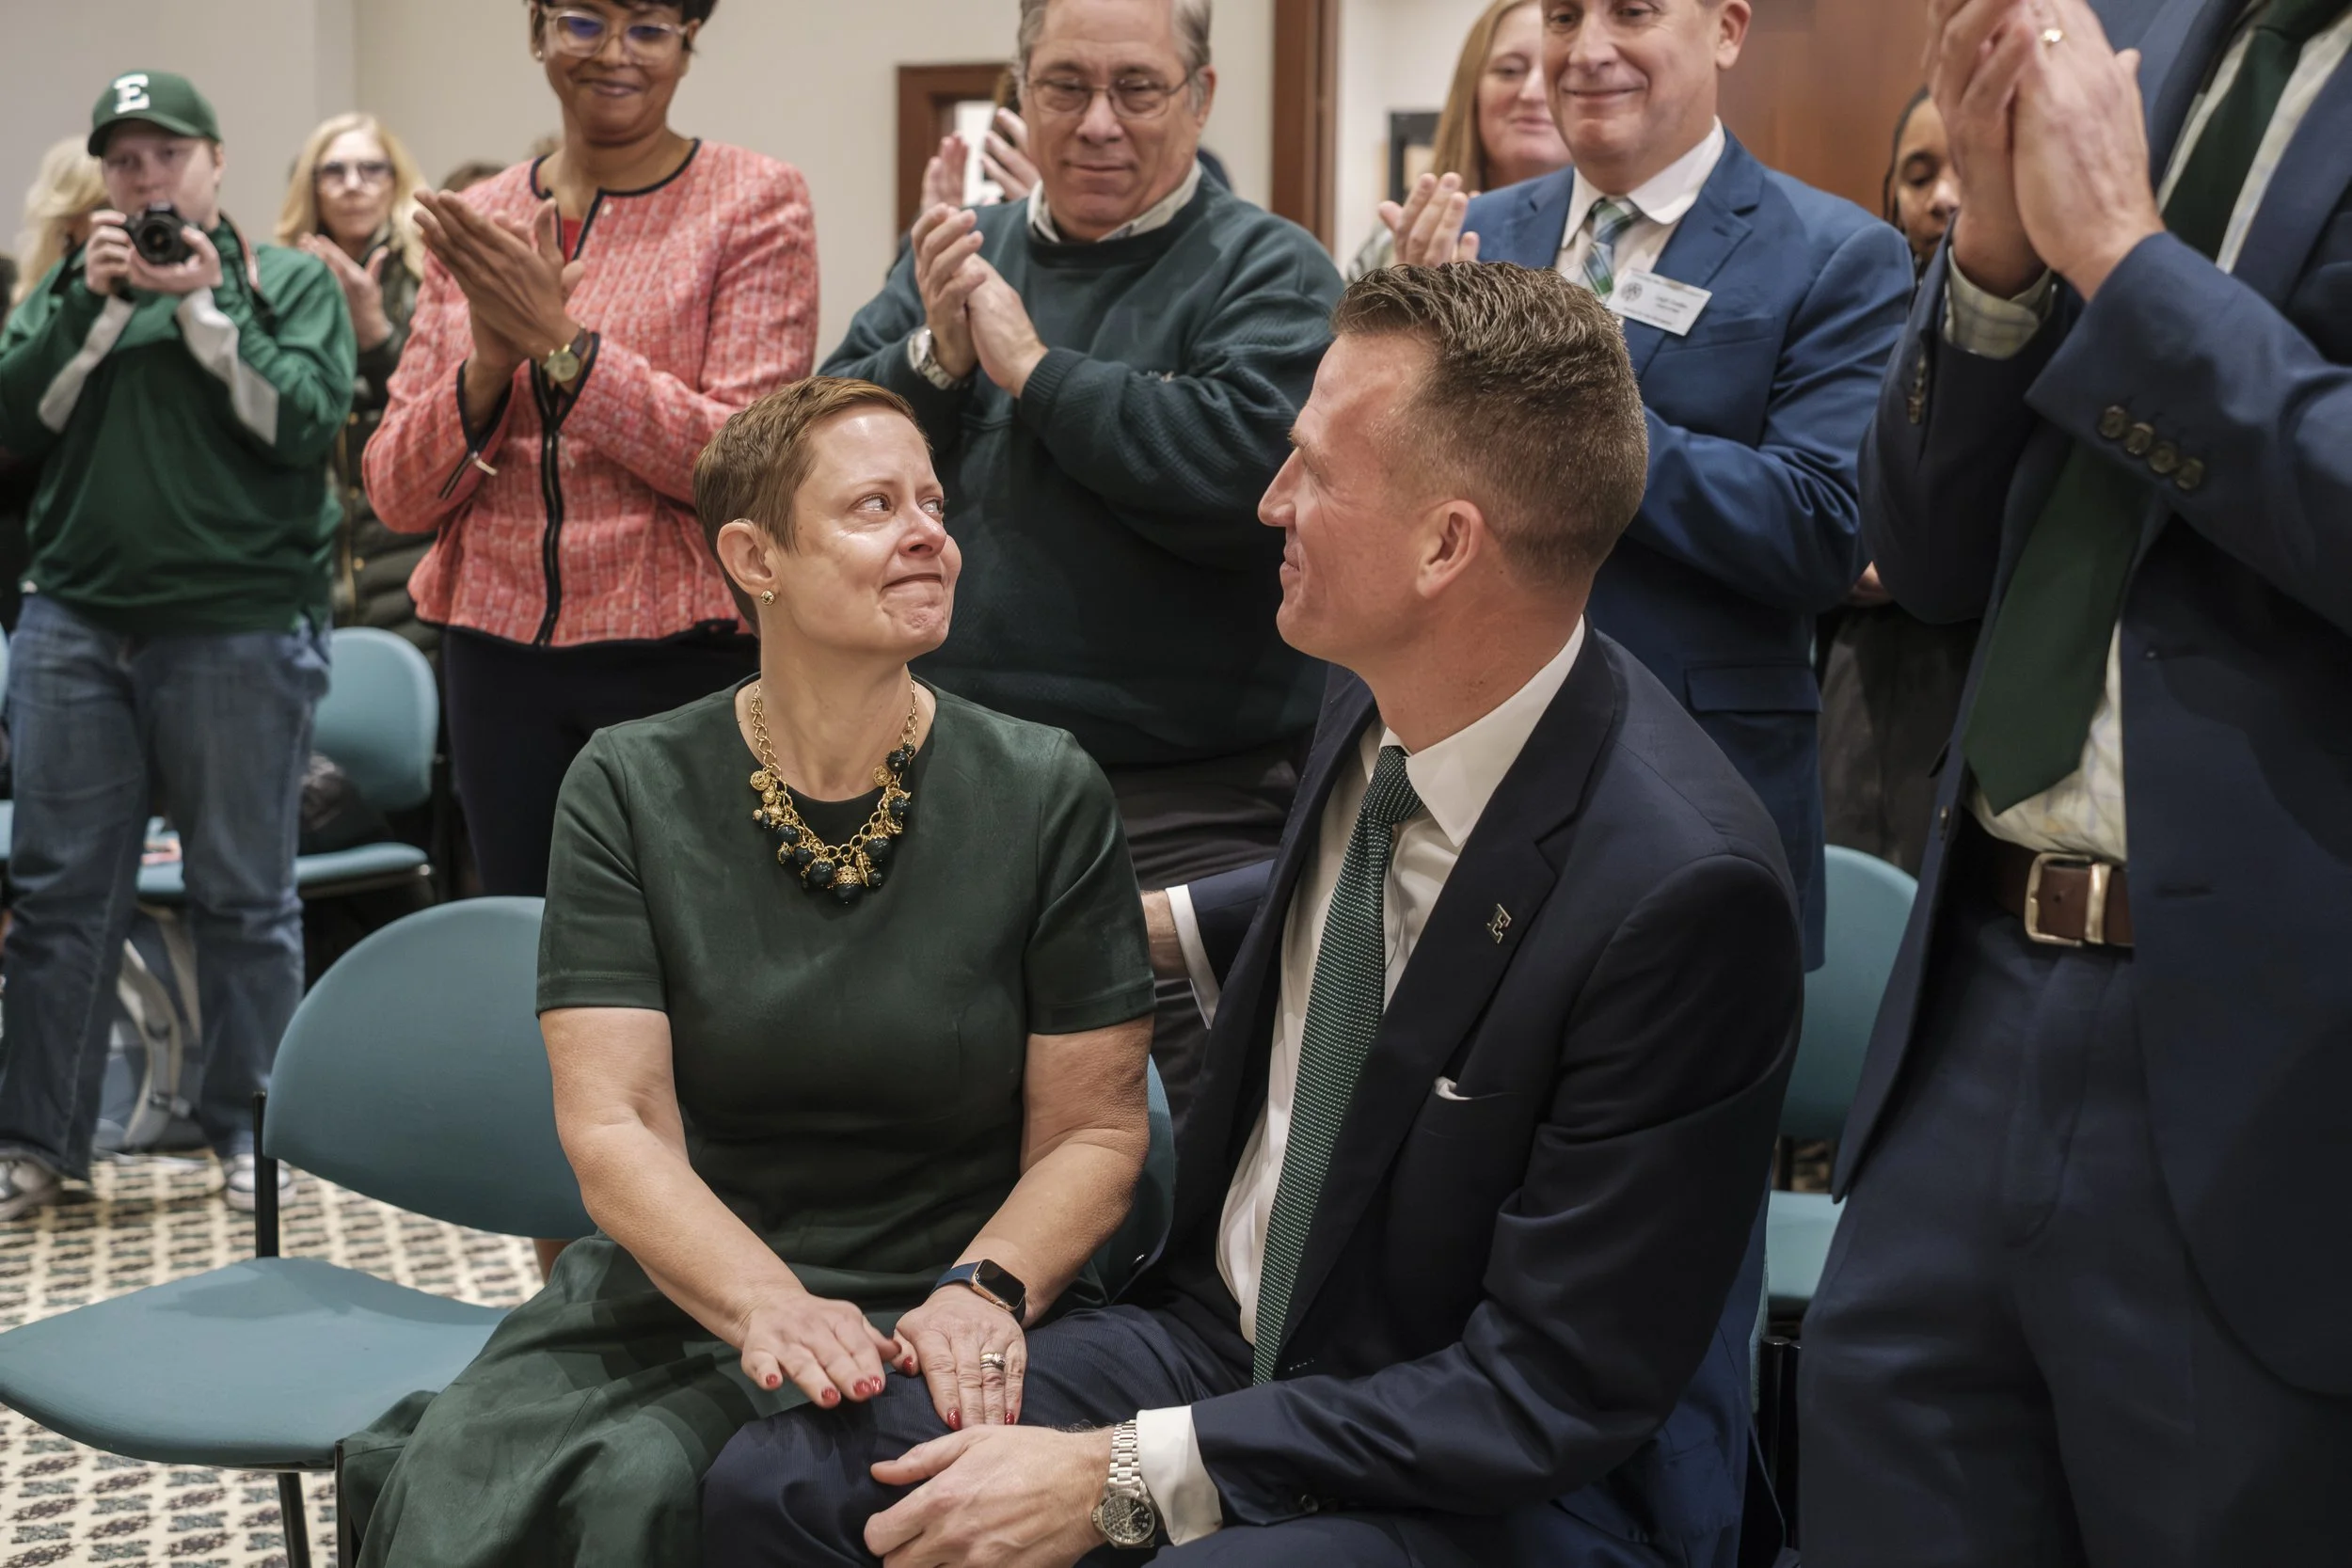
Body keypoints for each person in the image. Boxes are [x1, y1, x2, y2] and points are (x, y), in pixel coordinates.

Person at [706, 263, 1801, 1568]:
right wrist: (1122, 924)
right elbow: (1372, 889)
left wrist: (1117, 1475)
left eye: (1313, 472)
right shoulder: (1376, 677)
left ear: (1445, 546)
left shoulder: (1685, 897)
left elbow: (1541, 1392)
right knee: (786, 1483)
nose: (1269, 499)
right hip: (1223, 1337)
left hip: (1485, 1459)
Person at [340, 377, 1156, 1565]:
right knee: (478, 1482)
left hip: (947, 1289)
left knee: (677, 1489)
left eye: (933, 503)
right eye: (874, 506)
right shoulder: (629, 782)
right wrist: (762, 1298)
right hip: (685, 1273)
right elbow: (614, 1121)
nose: (928, 534)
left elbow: (1095, 1131)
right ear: (753, 557)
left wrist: (984, 1284)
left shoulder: (1044, 786)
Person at [1803, 0, 2352, 1561]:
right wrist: (1990, 270)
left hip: (2272, 1038)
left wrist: (2123, 258)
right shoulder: (2139, 33)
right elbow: (1927, 552)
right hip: (1974, 972)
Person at [827, 0, 1343, 1136]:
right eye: (1063, 85)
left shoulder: (1269, 266)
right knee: (936, 1128)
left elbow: (1241, 477)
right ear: (1020, 92)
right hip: (942, 780)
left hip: (1180, 800)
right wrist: (935, 358)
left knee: (1150, 1145)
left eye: (1137, 88)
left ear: (1199, 99)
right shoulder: (961, 254)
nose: (1098, 122)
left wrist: (1034, 371)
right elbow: (822, 451)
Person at [1392, 0, 1916, 965]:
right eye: (1563, 16)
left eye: (1631, 11)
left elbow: (1820, 526)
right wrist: (1400, 374)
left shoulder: (1834, 253)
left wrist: (1570, 412)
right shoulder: (1475, 236)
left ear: (1726, 29)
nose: (1587, 50)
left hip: (1696, 799)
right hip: (1461, 783)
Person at [0, 71, 355, 1219]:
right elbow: (11, 418)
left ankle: (254, 1136)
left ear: (215, 162)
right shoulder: (73, 282)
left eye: (167, 156)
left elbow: (302, 422)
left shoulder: (286, 280)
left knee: (242, 895)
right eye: (124, 161)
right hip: (73, 622)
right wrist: (94, 310)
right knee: (58, 894)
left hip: (238, 624)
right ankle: (39, 1140)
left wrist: (207, 310)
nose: (146, 181)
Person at [365, 0, 817, 897]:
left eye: (648, 28)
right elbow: (396, 491)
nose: (615, 53)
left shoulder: (753, 200)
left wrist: (561, 344)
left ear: (687, 44)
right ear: (538, 30)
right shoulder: (478, 220)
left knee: (687, 939)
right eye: (583, 23)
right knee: (526, 940)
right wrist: (486, 367)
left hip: (679, 650)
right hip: (492, 654)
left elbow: (746, 461)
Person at [1815, 88, 1977, 875]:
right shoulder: (1852, 321)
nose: (1943, 197)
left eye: (1968, 168)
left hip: (1979, 659)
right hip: (1863, 659)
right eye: (1919, 176)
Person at [277, 113, 435, 657]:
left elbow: (449, 418)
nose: (352, 184)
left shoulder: (432, 277)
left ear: (395, 181)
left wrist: (375, 336)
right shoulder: (278, 283)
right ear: (311, 185)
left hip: (409, 564)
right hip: (306, 561)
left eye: (371, 169)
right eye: (334, 171)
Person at [1350, 0, 1573, 278]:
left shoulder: (1603, 237)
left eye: (1554, 71)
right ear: (1472, 91)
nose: (1532, 93)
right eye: (1509, 71)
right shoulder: (1394, 240)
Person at [1, 140, 109, 633]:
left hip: (102, 532)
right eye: (103, 206)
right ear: (69, 219)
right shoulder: (19, 297)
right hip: (30, 530)